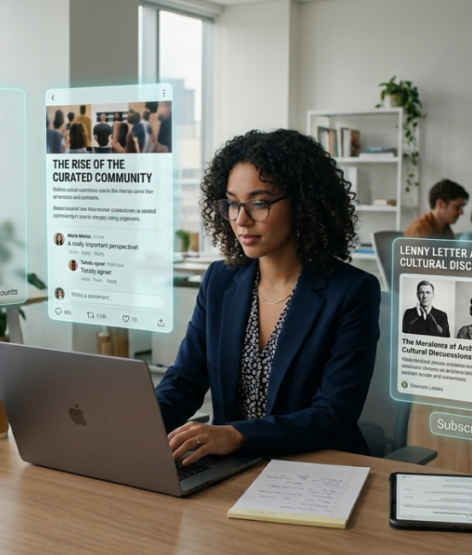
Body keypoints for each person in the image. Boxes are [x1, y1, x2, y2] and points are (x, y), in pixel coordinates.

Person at [156, 129, 380, 463]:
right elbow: (183, 382)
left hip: (315, 468)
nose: (241, 220)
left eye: (259, 203)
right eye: (232, 204)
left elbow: (333, 415)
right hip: (231, 468)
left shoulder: (351, 292)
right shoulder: (219, 281)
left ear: (304, 202)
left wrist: (237, 435)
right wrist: (138, 425)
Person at [404, 179, 468, 239]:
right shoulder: (419, 230)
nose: (461, 212)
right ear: (440, 204)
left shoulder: (446, 230)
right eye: (457, 207)